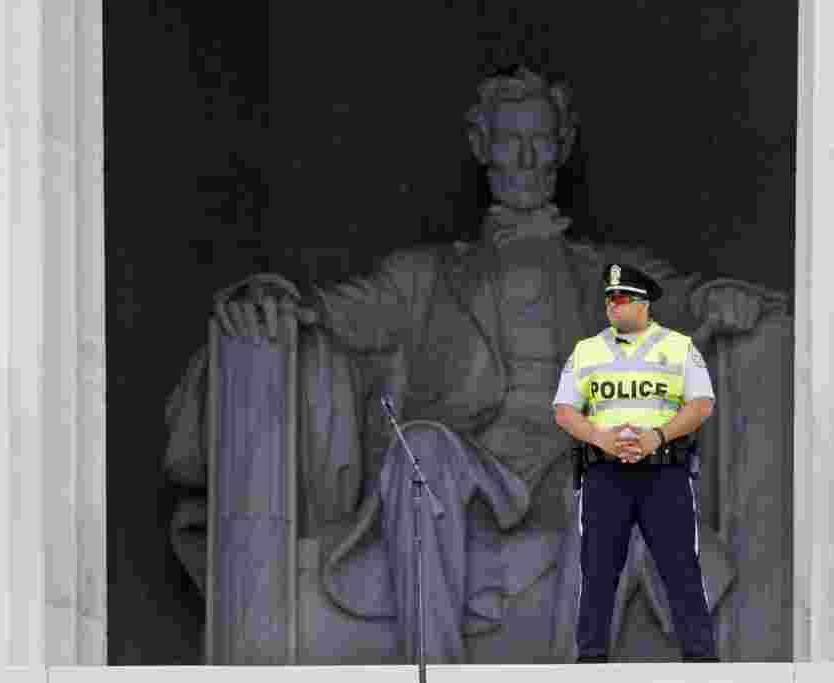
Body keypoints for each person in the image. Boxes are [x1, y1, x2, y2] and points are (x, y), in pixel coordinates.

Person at [165, 65, 786, 664]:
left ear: (561, 147)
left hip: (574, 461)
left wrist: (719, 298)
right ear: (480, 145)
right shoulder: (423, 276)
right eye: (509, 140)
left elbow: (684, 301)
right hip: (471, 474)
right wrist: (265, 296)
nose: (523, 158)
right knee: (423, 451)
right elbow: (322, 313)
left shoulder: (610, 273)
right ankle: (432, 666)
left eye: (539, 141)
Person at [554, 263, 720, 663]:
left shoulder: (678, 347)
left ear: (644, 304)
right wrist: (601, 438)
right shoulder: (587, 350)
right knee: (597, 572)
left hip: (663, 472)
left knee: (680, 569)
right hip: (605, 473)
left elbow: (701, 404)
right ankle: (591, 659)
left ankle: (702, 661)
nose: (613, 304)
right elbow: (564, 409)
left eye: (623, 297)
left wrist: (656, 437)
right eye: (609, 297)